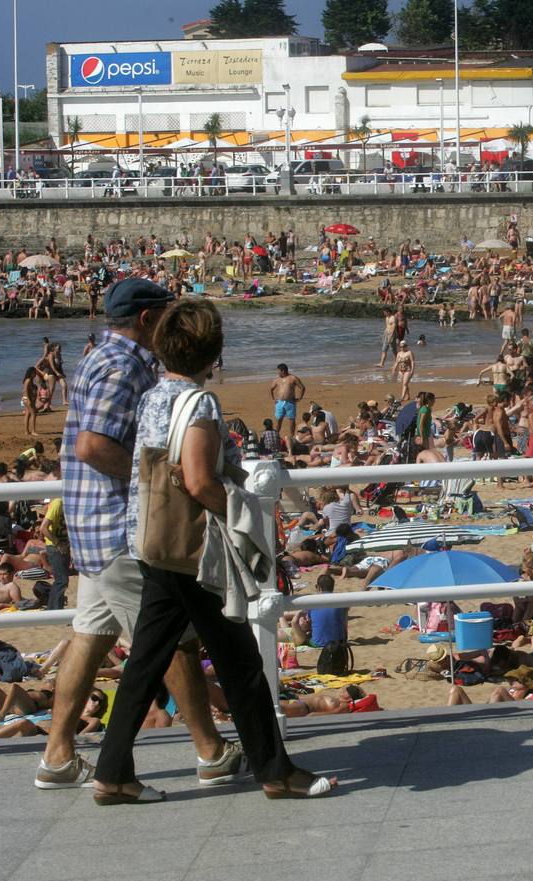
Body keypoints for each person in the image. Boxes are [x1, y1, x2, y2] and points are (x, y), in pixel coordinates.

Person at [93, 298, 335, 804]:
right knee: (240, 663)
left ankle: (113, 771)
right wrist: (242, 513)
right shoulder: (197, 403)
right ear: (214, 351)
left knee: (144, 662)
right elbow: (200, 480)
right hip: (194, 551)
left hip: (154, 544)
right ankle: (275, 771)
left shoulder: (153, 395)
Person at [39, 279, 244, 791]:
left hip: (92, 524)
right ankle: (210, 749)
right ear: (150, 319)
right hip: (117, 526)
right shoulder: (124, 364)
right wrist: (150, 481)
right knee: (171, 638)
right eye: (167, 314)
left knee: (91, 637)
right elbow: (92, 446)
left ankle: (58, 755)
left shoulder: (100, 356)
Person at [270, 363, 306, 440]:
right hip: (279, 402)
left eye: (279, 371)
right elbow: (271, 389)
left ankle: (292, 435)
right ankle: (276, 434)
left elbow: (302, 388)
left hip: (290, 402)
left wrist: (299, 398)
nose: (278, 373)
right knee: (278, 419)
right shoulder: (277, 380)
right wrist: (273, 399)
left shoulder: (293, 378)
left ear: (283, 371)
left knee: (291, 419)